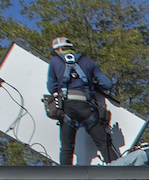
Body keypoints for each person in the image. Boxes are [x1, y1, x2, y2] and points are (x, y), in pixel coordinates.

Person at [46, 36, 118, 165]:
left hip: (67, 107)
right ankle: (121, 177)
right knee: (104, 144)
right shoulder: (88, 62)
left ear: (58, 49)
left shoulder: (54, 61)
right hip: (87, 108)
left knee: (67, 147)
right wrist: (92, 85)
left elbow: (51, 88)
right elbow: (107, 84)